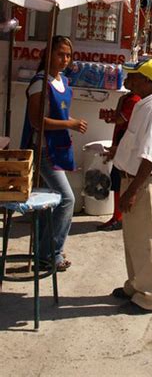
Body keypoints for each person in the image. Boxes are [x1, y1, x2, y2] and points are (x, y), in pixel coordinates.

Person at [108, 59, 152, 314]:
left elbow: (150, 157)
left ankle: (148, 297)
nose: (129, 81)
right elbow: (138, 145)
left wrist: (132, 192)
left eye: (134, 77)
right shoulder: (144, 104)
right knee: (133, 240)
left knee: (144, 241)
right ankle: (134, 286)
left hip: (143, 184)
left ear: (147, 81)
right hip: (135, 179)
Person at [21, 35, 87, 272]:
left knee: (53, 202)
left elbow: (57, 116)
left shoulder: (63, 81)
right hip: (44, 149)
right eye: (60, 54)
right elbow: (37, 121)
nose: (64, 59)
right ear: (48, 55)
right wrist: (69, 125)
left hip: (59, 149)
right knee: (67, 199)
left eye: (68, 55)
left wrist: (71, 122)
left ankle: (43, 252)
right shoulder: (41, 83)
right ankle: (52, 253)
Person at [97, 76, 141, 231]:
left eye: (130, 78)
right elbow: (118, 118)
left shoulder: (133, 100)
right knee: (117, 181)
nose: (126, 80)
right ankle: (117, 216)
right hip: (120, 140)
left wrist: (111, 116)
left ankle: (118, 217)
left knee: (118, 181)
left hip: (124, 142)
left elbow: (121, 120)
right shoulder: (129, 98)